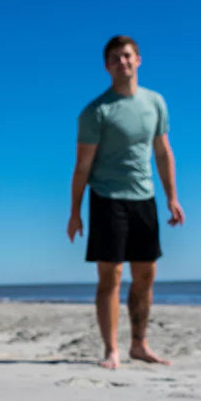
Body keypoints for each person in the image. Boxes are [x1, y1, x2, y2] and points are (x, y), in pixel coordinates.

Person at [68, 36, 185, 369]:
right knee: (111, 277)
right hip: (107, 198)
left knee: (146, 274)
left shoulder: (155, 103)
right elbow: (82, 166)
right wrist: (75, 211)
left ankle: (139, 344)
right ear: (107, 66)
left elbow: (162, 152)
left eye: (128, 56)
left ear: (139, 60)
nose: (123, 63)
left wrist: (172, 197)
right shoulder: (96, 111)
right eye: (116, 58)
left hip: (144, 198)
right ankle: (111, 349)